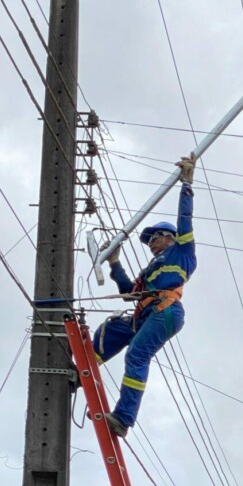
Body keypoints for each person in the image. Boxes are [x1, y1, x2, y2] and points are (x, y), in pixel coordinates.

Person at [94, 155, 198, 437]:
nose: (151, 243)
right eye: (149, 240)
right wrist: (115, 262)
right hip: (147, 313)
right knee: (113, 328)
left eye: (155, 238)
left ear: (169, 237)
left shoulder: (182, 252)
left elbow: (185, 220)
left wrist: (186, 184)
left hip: (166, 312)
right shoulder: (152, 269)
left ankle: (124, 419)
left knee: (137, 355)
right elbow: (131, 294)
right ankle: (83, 369)